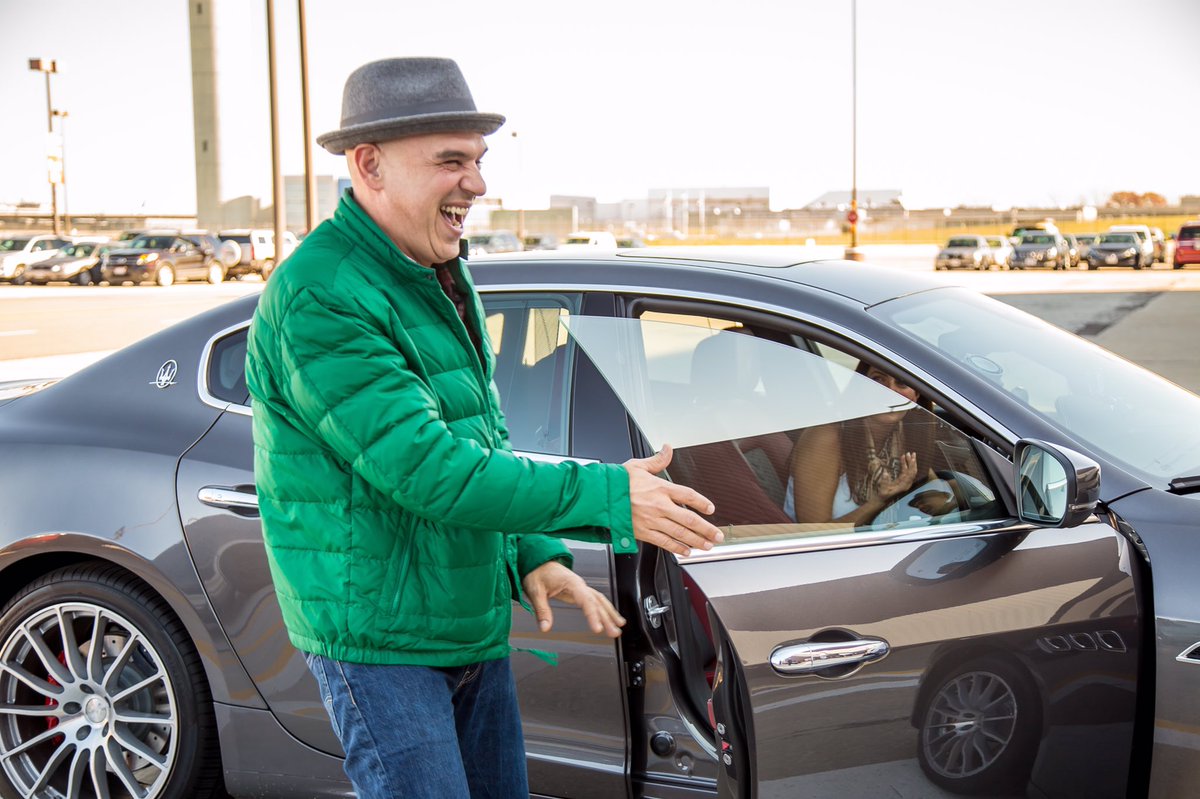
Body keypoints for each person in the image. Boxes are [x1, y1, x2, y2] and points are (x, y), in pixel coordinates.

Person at [244, 57, 723, 799]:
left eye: (478, 160)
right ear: (369, 165)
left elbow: (480, 428)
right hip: (379, 638)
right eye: (451, 160)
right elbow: (427, 467)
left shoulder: (432, 264)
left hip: (461, 616)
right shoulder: (321, 296)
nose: (477, 183)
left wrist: (531, 550)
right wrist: (605, 497)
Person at [784, 363, 939, 526]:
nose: (889, 391)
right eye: (877, 380)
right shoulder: (826, 436)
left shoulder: (902, 439)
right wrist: (879, 501)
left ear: (915, 396)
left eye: (901, 383)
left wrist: (960, 491)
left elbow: (935, 490)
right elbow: (814, 535)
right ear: (860, 387)